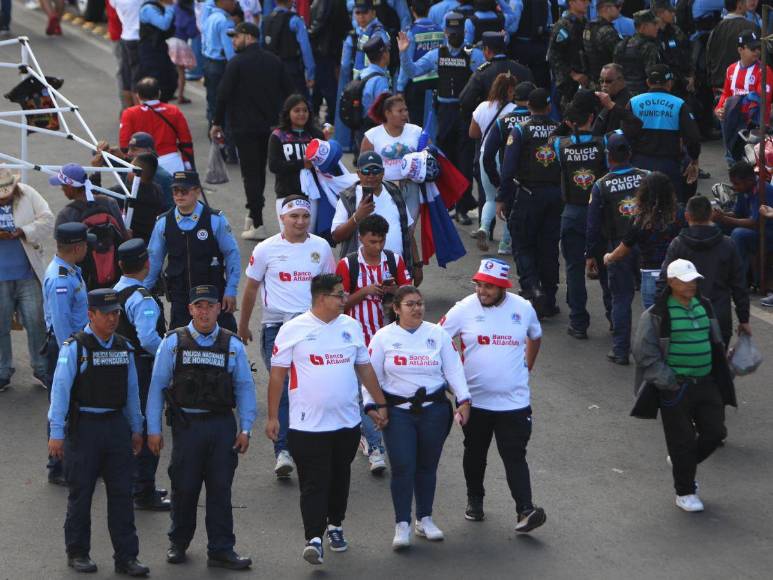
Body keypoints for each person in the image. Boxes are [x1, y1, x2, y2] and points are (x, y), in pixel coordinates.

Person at [265, 274, 388, 565]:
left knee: (339, 477)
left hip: (346, 423)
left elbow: (364, 368)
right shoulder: (292, 330)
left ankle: (335, 524)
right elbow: (277, 376)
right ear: (321, 298)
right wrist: (272, 417)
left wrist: (379, 402)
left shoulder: (351, 327)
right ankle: (313, 538)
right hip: (307, 425)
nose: (345, 299)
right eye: (339, 294)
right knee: (314, 482)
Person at [146, 285, 256, 570]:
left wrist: (246, 429)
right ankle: (178, 543)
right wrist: (153, 430)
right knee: (184, 487)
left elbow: (245, 388)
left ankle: (221, 549)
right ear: (190, 309)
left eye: (209, 306)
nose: (204, 312)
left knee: (220, 489)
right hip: (187, 427)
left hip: (221, 426)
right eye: (199, 306)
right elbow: (157, 387)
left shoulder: (232, 344)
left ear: (219, 308)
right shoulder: (173, 343)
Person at [47, 288, 148, 576]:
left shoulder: (124, 348)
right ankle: (78, 552)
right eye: (106, 314)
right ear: (91, 315)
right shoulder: (75, 348)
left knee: (122, 495)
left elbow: (131, 392)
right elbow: (60, 392)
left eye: (116, 313)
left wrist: (137, 427)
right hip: (85, 429)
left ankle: (127, 557)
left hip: (116, 427)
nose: (113, 319)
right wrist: (56, 433)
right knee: (81, 494)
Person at [440, 258, 546, 532]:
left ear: (502, 287)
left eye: (489, 287)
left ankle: (525, 510)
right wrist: (452, 380)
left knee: (514, 455)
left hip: (515, 402)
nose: (482, 291)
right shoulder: (463, 309)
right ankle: (475, 501)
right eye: (479, 285)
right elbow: (437, 340)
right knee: (475, 453)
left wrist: (528, 365)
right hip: (475, 402)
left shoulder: (523, 308)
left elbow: (535, 336)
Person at [366, 285, 470, 549]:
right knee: (403, 466)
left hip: (434, 411)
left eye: (420, 303)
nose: (417, 309)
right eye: (410, 304)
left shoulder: (438, 334)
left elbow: (454, 369)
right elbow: (371, 376)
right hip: (398, 413)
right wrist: (372, 405)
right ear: (396, 308)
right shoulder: (382, 337)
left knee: (427, 466)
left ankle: (424, 519)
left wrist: (463, 399)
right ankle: (402, 523)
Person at [238, 196, 336, 478]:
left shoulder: (321, 247)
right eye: (294, 216)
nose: (300, 222)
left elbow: (331, 289)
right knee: (281, 387)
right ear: (282, 218)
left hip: (313, 328)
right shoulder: (266, 249)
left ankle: (311, 445)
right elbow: (251, 288)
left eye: (305, 216)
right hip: (276, 328)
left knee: (310, 388)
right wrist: (243, 326)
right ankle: (283, 451)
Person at [631, 259, 736, 513]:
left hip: (706, 382)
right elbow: (645, 353)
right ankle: (685, 492)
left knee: (715, 433)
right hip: (676, 388)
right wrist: (668, 381)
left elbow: (714, 340)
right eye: (685, 281)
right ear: (671, 282)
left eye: (694, 281)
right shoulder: (656, 314)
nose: (691, 285)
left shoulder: (704, 306)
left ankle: (683, 462)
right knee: (682, 442)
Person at [335, 214, 412, 473]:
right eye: (372, 241)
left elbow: (410, 294)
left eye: (381, 241)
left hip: (392, 342)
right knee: (362, 394)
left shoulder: (394, 260)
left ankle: (375, 438)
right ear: (361, 239)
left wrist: (394, 291)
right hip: (358, 341)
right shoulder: (347, 265)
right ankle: (377, 448)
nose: (378, 247)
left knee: (390, 392)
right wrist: (365, 291)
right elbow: (339, 304)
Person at [397, 12, 485, 225]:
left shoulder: (473, 54)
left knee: (465, 162)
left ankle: (463, 207)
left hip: (465, 113)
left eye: (458, 33)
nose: (454, 36)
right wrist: (404, 53)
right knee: (446, 161)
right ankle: (448, 203)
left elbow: (485, 79)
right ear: (445, 32)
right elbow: (413, 71)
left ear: (464, 32)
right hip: (444, 113)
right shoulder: (437, 54)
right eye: (451, 32)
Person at [211, 21, 294, 241]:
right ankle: (253, 212)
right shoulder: (274, 61)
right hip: (270, 127)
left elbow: (222, 95)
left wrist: (216, 123)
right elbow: (290, 91)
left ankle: (257, 221)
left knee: (251, 174)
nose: (233, 41)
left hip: (244, 128)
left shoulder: (236, 63)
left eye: (236, 36)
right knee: (259, 172)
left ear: (249, 37)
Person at [113, 239, 170, 512]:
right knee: (148, 425)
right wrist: (167, 356)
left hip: (120, 365)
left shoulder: (116, 292)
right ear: (146, 263)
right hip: (142, 367)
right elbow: (147, 338)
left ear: (120, 264)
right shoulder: (142, 298)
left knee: (130, 425)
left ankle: (134, 484)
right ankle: (144, 491)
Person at [146, 170, 240, 331]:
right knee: (179, 341)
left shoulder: (215, 220)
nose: (179, 195)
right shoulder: (163, 223)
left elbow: (232, 254)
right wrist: (144, 291)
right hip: (181, 298)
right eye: (175, 190)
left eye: (184, 191)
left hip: (213, 297)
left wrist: (231, 290)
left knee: (225, 339)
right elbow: (154, 260)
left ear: (197, 191)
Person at [497, 87, 561, 316]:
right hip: (555, 196)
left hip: (528, 194)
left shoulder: (520, 130)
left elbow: (508, 168)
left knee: (522, 242)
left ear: (529, 107)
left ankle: (533, 289)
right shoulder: (559, 129)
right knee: (549, 247)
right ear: (549, 107)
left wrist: (502, 198)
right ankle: (549, 298)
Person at [585, 134, 648, 365]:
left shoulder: (601, 185)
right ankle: (655, 350)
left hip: (618, 248)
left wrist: (590, 254)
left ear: (608, 156)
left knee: (621, 298)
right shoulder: (647, 177)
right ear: (629, 153)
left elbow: (592, 225)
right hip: (648, 246)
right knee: (655, 299)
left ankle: (621, 350)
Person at [659, 195, 750, 347]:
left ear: (687, 216)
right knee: (719, 359)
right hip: (720, 316)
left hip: (685, 318)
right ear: (711, 215)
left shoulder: (678, 245)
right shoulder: (728, 244)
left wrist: (660, 314)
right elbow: (739, 285)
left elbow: (664, 280)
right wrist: (744, 319)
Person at [554, 95, 610, 339]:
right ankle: (614, 318)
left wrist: (568, 122)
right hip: (600, 213)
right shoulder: (603, 142)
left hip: (573, 212)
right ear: (591, 117)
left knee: (574, 269)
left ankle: (578, 322)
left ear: (569, 121)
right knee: (607, 266)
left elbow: (554, 136)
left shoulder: (560, 144)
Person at [42, 223, 91, 485]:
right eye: (85, 244)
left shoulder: (70, 270)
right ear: (77, 247)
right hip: (65, 348)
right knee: (61, 404)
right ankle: (58, 466)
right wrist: (70, 357)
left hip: (72, 345)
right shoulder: (61, 280)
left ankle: (70, 461)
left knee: (72, 402)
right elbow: (61, 324)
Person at [331, 151, 422, 283]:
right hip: (361, 274)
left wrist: (417, 264)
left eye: (376, 170)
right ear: (358, 173)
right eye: (366, 171)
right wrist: (357, 217)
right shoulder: (348, 197)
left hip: (396, 268)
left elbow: (407, 231)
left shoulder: (394, 191)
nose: (371, 175)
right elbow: (336, 236)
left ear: (383, 172)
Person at [0, 170, 53, 392]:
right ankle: (2, 372)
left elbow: (48, 220)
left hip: (27, 274)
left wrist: (23, 231)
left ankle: (41, 369)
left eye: (6, 196)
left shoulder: (28, 194)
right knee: (0, 326)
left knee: (35, 322)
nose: (3, 200)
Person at [603, 171, 684, 309]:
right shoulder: (680, 213)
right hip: (679, 273)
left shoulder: (640, 220)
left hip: (652, 276)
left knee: (654, 318)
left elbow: (623, 250)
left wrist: (609, 257)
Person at [622, 64, 701, 203]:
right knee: (671, 205)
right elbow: (693, 138)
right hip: (669, 164)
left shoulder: (634, 103)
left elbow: (625, 135)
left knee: (641, 204)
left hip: (639, 163)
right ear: (669, 83)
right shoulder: (679, 104)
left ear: (648, 82)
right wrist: (693, 159)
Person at [479, 80, 534, 255]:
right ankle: (507, 243)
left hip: (508, 175)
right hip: (533, 180)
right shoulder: (542, 122)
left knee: (500, 203)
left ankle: (492, 233)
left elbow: (488, 156)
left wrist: (498, 181)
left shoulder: (503, 121)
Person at [468, 72, 517, 251]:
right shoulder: (514, 110)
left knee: (490, 197)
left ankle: (484, 227)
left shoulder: (482, 107)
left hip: (485, 156)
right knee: (510, 199)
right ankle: (505, 242)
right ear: (510, 90)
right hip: (506, 157)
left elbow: (473, 133)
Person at [361, 94, 423, 221]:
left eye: (406, 110)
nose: (405, 114)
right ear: (388, 113)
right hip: (384, 189)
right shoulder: (372, 136)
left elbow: (430, 156)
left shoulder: (417, 132)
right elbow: (363, 168)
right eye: (400, 111)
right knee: (388, 227)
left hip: (412, 188)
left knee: (409, 229)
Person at [714, 31, 772, 164]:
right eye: (752, 48)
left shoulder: (764, 70)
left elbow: (763, 97)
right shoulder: (731, 69)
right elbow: (726, 94)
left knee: (754, 164)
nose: (757, 51)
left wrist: (736, 104)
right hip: (734, 122)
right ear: (740, 50)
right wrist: (719, 109)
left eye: (758, 47)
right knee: (734, 163)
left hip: (753, 124)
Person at [268, 94, 326, 227]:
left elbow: (325, 164)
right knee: (288, 235)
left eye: (305, 110)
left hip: (311, 195)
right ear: (288, 113)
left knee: (308, 234)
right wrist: (301, 164)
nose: (302, 114)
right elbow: (274, 165)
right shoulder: (277, 136)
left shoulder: (316, 135)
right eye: (297, 110)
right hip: (286, 194)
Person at [713, 161, 773, 283]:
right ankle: (719, 268)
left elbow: (754, 222)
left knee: (738, 234)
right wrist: (720, 215)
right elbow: (737, 213)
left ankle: (740, 280)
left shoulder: (763, 190)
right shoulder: (743, 190)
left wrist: (726, 219)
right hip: (752, 229)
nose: (734, 187)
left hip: (766, 233)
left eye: (737, 184)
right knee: (716, 226)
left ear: (749, 180)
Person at [119, 81, 194, 176]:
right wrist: (188, 164)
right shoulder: (174, 110)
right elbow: (186, 141)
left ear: (138, 95)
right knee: (176, 186)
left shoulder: (129, 113)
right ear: (159, 93)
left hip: (143, 164)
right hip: (172, 162)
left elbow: (124, 144)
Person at [459, 31, 533, 121]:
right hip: (519, 123)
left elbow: (465, 101)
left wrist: (480, 114)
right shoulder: (523, 70)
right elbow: (533, 99)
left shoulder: (482, 73)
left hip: (490, 122)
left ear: (487, 50)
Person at [396, 0, 444, 133]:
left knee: (416, 126)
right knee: (433, 123)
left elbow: (406, 62)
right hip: (437, 83)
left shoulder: (412, 32)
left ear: (412, 10)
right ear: (428, 9)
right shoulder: (439, 29)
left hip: (417, 85)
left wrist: (400, 87)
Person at [262, 0, 316, 96]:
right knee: (299, 100)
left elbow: (261, 46)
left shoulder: (265, 20)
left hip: (271, 68)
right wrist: (310, 74)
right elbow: (305, 48)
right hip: (291, 68)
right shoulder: (295, 20)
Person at [706, 0, 759, 98]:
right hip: (744, 91)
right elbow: (761, 58)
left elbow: (708, 58)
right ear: (739, 4)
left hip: (719, 90)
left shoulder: (716, 29)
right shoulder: (752, 27)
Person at [547, 0, 591, 113]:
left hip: (586, 79)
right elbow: (553, 55)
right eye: (583, 1)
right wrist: (573, 74)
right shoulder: (564, 25)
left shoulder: (586, 24)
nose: (587, 3)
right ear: (571, 2)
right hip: (568, 83)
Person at [114, 153, 165, 243]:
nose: (127, 171)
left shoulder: (125, 192)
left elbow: (93, 196)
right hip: (149, 242)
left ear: (135, 172)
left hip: (129, 244)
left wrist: (96, 173)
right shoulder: (157, 190)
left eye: (130, 167)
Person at [613, 9, 662, 96]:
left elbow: (615, 71)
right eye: (654, 24)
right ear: (643, 27)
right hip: (644, 95)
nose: (657, 27)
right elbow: (653, 76)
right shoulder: (649, 47)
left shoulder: (621, 45)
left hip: (624, 94)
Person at [653, 0, 693, 101]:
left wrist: (691, 76)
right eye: (670, 12)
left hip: (681, 83)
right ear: (660, 13)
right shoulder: (653, 33)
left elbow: (688, 54)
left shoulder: (676, 31)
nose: (673, 14)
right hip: (661, 84)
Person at [138, 0, 178, 102]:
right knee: (155, 81)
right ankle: (155, 105)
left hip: (159, 48)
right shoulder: (149, 9)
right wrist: (169, 7)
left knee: (169, 79)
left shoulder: (159, 7)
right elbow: (163, 24)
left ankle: (163, 102)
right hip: (150, 50)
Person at [583, 0, 624, 86]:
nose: (620, 9)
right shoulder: (606, 30)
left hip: (593, 78)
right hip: (608, 80)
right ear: (607, 9)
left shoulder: (589, 26)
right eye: (617, 7)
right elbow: (620, 54)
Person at [112, 0, 142, 110]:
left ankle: (128, 110)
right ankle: (139, 112)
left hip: (125, 37)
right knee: (137, 78)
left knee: (126, 77)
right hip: (137, 38)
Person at [169, 0, 199, 105]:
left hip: (169, 40)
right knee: (181, 72)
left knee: (170, 69)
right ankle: (180, 96)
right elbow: (192, 33)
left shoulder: (174, 8)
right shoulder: (189, 13)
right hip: (181, 42)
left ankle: (169, 92)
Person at [592, 64, 632, 135]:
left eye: (608, 81)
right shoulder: (606, 99)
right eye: (601, 81)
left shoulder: (625, 102)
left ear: (620, 80)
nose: (604, 85)